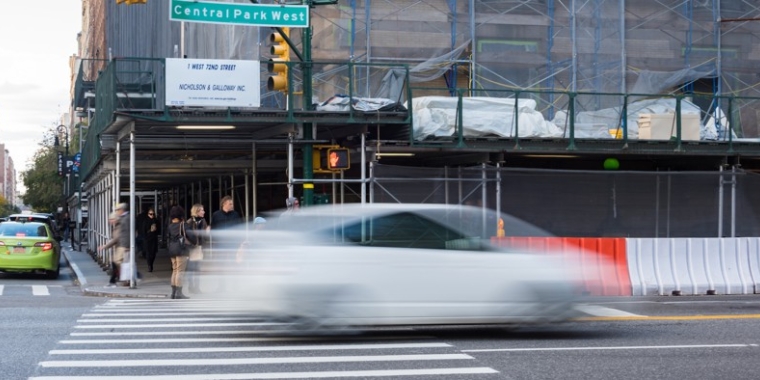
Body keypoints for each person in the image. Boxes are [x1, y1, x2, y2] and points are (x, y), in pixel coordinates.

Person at [97, 204, 129, 287]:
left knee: (117, 262)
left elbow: (116, 239)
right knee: (115, 262)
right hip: (119, 246)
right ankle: (117, 279)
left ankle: (121, 278)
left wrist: (105, 246)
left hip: (122, 245)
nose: (110, 221)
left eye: (111, 219)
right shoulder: (117, 225)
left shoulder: (120, 225)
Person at [167, 205, 190, 299]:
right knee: (180, 271)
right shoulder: (184, 225)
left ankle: (173, 292)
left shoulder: (170, 226)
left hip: (172, 249)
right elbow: (191, 236)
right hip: (181, 249)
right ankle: (179, 293)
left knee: (175, 270)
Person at [185, 203, 209, 293]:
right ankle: (191, 286)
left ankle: (197, 287)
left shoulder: (203, 221)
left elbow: (205, 236)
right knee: (191, 268)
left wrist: (206, 232)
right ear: (197, 211)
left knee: (198, 268)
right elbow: (186, 236)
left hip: (199, 248)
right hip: (191, 248)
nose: (204, 212)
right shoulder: (189, 222)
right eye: (202, 210)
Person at [140, 207, 159, 272]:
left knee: (153, 253)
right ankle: (149, 265)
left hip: (154, 238)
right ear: (148, 214)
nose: (152, 215)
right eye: (151, 214)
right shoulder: (145, 221)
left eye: (153, 214)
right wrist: (150, 231)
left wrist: (156, 229)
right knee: (148, 253)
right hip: (147, 239)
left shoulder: (156, 220)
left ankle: (151, 263)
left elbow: (159, 230)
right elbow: (143, 231)